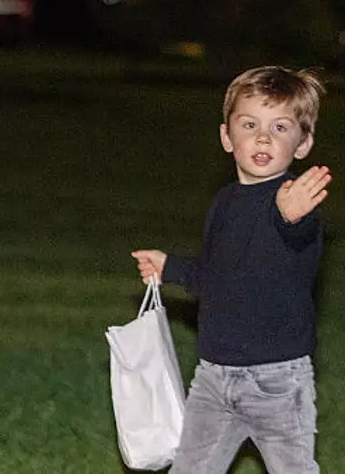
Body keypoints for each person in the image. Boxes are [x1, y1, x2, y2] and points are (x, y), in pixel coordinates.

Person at [131, 66, 333, 474]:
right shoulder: (225, 202)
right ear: (227, 137)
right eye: (249, 124)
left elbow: (296, 235)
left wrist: (293, 218)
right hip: (213, 378)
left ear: (303, 143)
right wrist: (170, 267)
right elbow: (217, 275)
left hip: (277, 381)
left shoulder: (291, 202)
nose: (263, 137)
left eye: (280, 127)